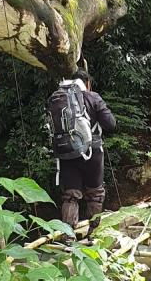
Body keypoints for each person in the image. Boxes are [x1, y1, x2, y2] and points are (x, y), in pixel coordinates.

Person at [59, 69, 116, 231]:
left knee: (70, 195)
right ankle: (94, 234)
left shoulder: (61, 98)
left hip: (67, 152)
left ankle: (68, 236)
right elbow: (110, 124)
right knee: (95, 194)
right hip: (92, 152)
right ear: (88, 83)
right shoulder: (93, 97)